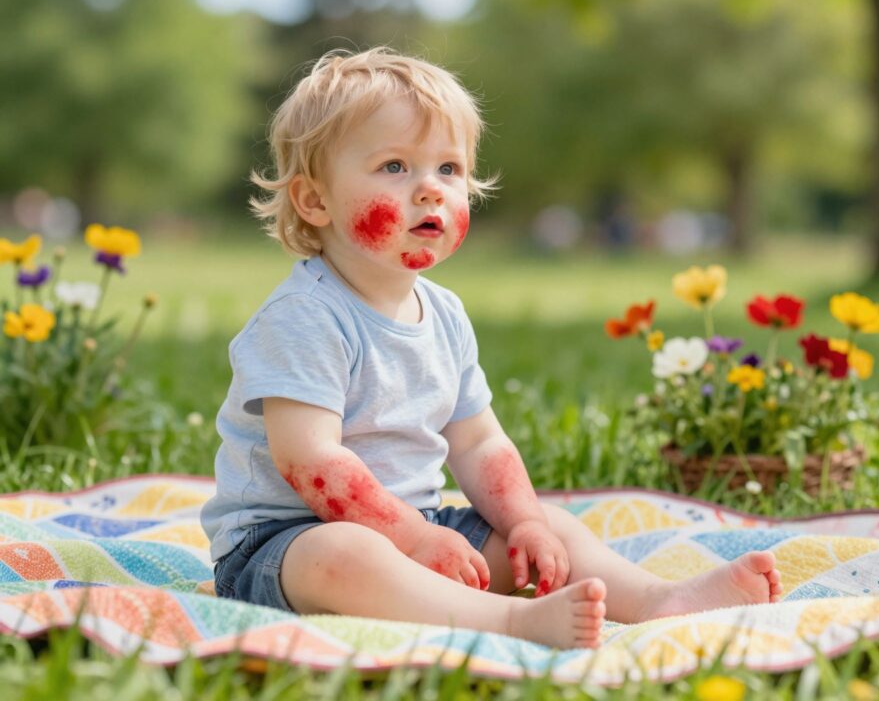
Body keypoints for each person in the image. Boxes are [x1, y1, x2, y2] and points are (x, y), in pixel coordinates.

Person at [200, 47, 782, 650]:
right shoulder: (305, 316)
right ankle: (509, 622)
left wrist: (523, 523)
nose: (431, 189)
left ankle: (659, 600)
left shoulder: (445, 314)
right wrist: (411, 540)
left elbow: (478, 441)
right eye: (395, 166)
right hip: (285, 548)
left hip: (421, 529)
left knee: (551, 533)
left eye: (449, 169)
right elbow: (310, 459)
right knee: (346, 554)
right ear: (314, 200)